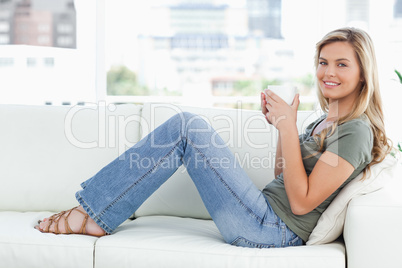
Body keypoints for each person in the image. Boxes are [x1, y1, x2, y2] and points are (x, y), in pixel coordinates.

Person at [35, 27, 392, 248]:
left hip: (271, 230)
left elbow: (300, 205)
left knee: (188, 127)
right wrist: (282, 128)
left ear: (363, 73)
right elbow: (283, 179)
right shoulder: (326, 119)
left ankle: (96, 215)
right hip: (263, 215)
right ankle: (97, 212)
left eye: (342, 64)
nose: (328, 72)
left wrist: (287, 127)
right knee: (187, 128)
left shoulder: (356, 130)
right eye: (323, 62)